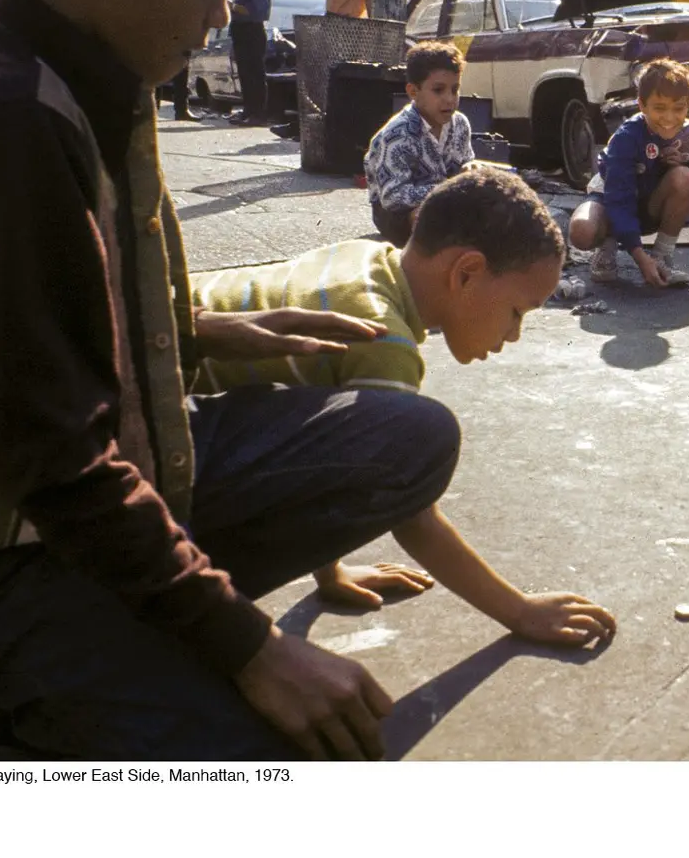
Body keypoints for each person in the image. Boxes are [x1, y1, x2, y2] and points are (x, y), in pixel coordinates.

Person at [0, 0, 605, 764]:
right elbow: (50, 453)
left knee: (402, 436)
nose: (216, 15)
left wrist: (205, 332)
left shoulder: (94, 82)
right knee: (297, 744)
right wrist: (249, 647)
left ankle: (149, 611)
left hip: (111, 482)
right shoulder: (10, 122)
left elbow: (48, 330)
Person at [192, 166, 617, 627]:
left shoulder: (365, 261)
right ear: (467, 272)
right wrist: (520, 611)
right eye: (517, 312)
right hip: (160, 435)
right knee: (415, 446)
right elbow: (414, 517)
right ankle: (188, 605)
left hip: (157, 385)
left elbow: (316, 416)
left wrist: (328, 569)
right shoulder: (383, 340)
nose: (514, 334)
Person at [568, 58, 689, 288]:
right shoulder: (627, 137)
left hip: (650, 204)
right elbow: (618, 197)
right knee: (582, 230)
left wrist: (673, 166)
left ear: (688, 105)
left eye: (678, 108)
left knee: (685, 178)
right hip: (611, 201)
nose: (669, 118)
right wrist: (640, 258)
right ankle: (607, 247)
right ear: (642, 105)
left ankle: (662, 258)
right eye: (659, 108)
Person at [364, 40, 475, 247]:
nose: (450, 99)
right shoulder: (397, 135)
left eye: (455, 89)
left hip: (445, 200)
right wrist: (450, 187)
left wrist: (469, 169)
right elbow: (393, 197)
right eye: (438, 90)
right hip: (396, 213)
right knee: (425, 218)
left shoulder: (460, 124)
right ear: (413, 92)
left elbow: (465, 162)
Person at [225, 0, 274, 125]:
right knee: (245, 73)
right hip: (242, 32)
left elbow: (256, 11)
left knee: (254, 74)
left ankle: (258, 114)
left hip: (251, 32)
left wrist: (233, 6)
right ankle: (248, 110)